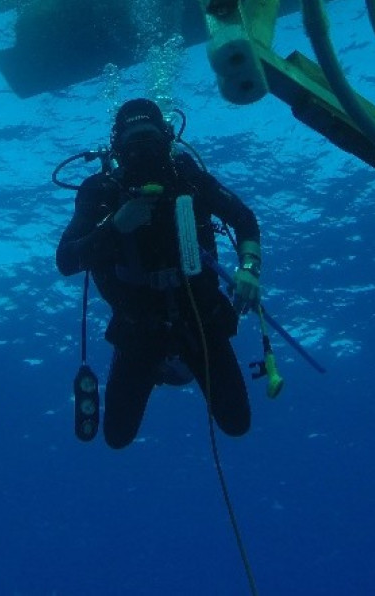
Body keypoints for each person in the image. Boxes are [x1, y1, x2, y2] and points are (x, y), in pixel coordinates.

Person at [56, 98, 263, 449]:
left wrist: (248, 269)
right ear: (119, 148)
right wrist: (115, 228)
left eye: (151, 143)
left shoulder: (190, 179)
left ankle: (172, 363)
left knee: (237, 423)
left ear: (167, 141)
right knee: (117, 436)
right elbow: (66, 260)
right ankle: (155, 366)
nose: (144, 155)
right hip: (138, 326)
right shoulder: (101, 191)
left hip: (202, 317)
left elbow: (244, 219)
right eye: (134, 146)